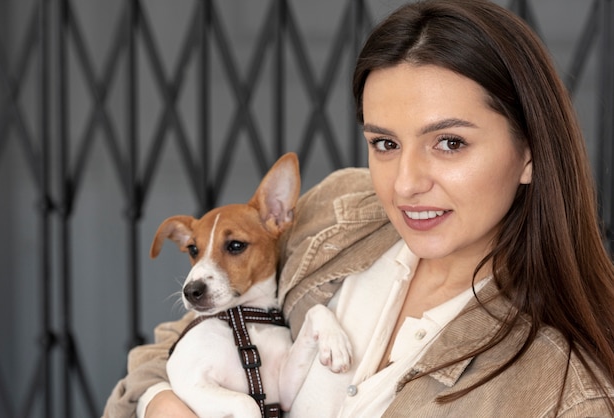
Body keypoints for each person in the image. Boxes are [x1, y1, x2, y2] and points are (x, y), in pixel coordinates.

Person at [103, 0, 614, 416]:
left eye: (450, 143)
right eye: (385, 144)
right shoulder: (335, 210)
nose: (407, 184)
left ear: (529, 153)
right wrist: (161, 403)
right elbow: (176, 343)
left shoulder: (568, 389)